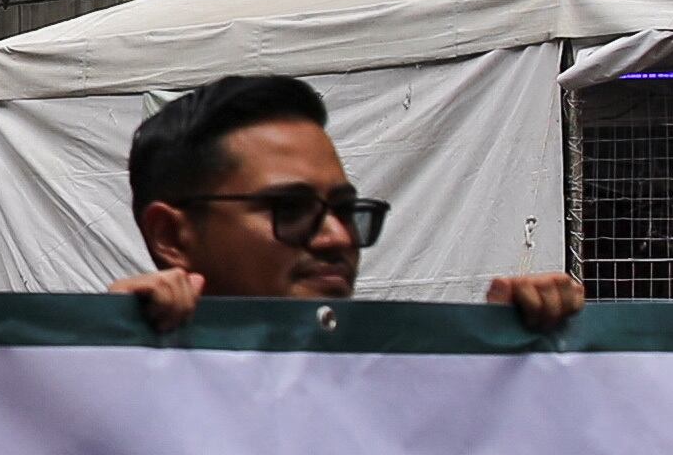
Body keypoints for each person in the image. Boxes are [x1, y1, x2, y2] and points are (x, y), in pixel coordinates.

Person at [115, 76, 588, 333]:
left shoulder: (399, 387)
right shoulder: (93, 400)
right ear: (173, 237)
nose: (338, 238)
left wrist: (505, 356)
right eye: (291, 209)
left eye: (344, 210)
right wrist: (99, 349)